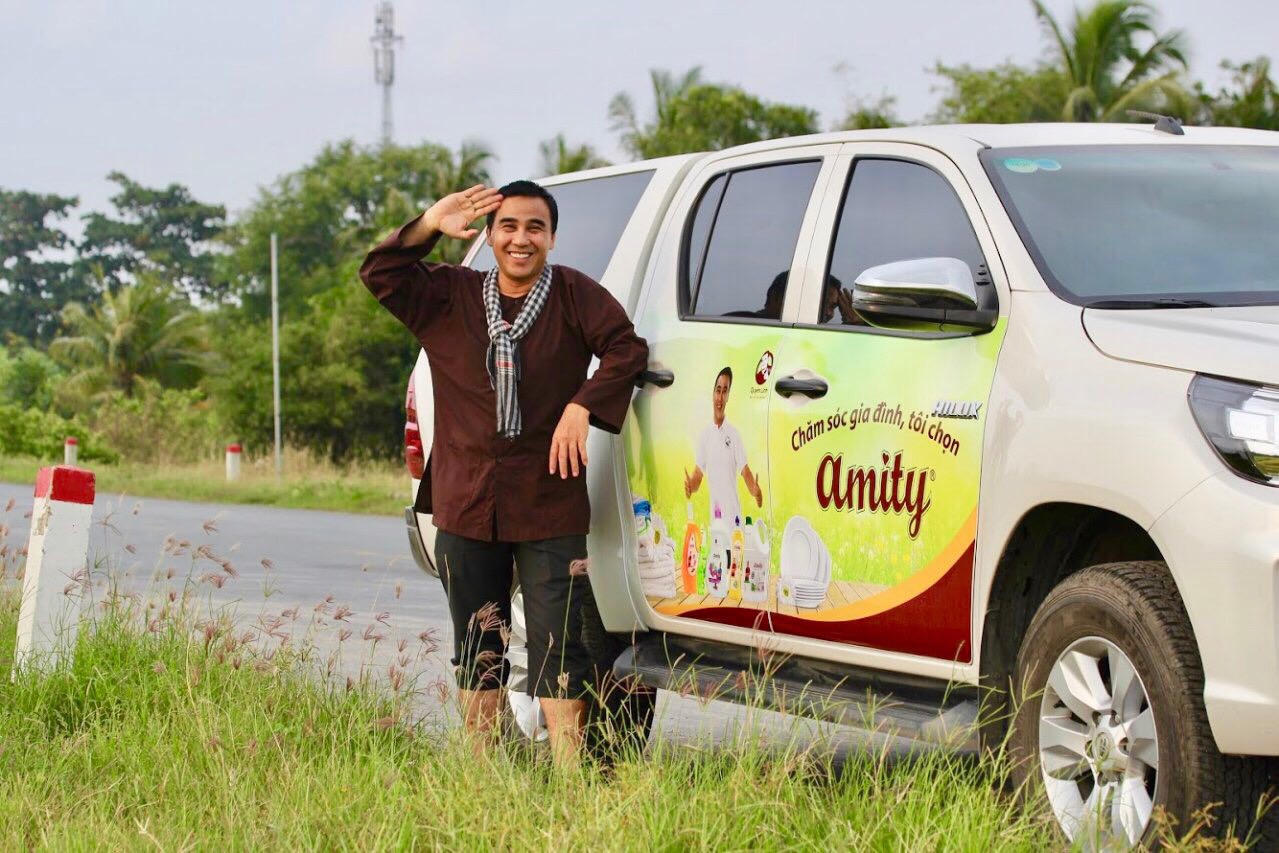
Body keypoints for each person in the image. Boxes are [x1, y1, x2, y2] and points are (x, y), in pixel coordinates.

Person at [360, 181, 648, 768]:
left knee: (560, 646)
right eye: (509, 226)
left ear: (552, 238)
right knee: (478, 646)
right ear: (490, 236)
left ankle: (571, 779)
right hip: (467, 498)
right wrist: (428, 224)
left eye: (535, 227)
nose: (521, 239)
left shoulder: (574, 294)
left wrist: (584, 405)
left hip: (549, 500)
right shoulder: (449, 294)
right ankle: (482, 775)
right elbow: (380, 273)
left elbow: (627, 349)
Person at [683, 367, 763, 522]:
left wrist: (755, 491)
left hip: (734, 521)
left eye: (724, 391)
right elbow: (698, 475)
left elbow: (745, 471)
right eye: (718, 390)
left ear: (728, 397)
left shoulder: (734, 435)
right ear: (713, 393)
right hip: (716, 522)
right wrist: (690, 486)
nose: (720, 397)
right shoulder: (705, 436)